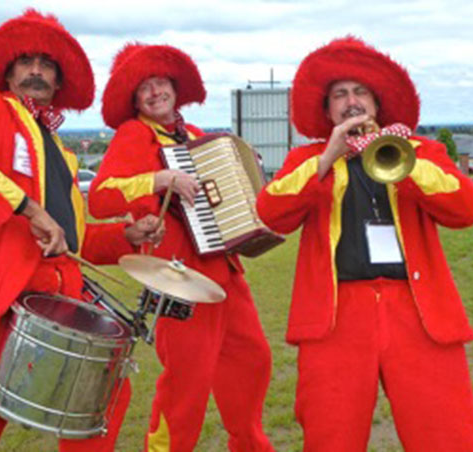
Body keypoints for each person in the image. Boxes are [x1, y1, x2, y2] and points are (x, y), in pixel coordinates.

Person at [0, 10, 163, 452]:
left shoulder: (58, 148)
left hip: (58, 293)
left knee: (102, 403)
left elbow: (71, 237)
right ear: (9, 70)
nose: (36, 70)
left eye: (46, 64)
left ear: (58, 80)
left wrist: (124, 238)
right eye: (26, 60)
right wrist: (28, 207)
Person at [256, 36, 473, 451]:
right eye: (339, 95)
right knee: (331, 435)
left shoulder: (420, 150)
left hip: (417, 311)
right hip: (337, 314)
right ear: (327, 111)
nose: (351, 102)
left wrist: (405, 164)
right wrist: (327, 159)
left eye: (361, 92)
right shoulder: (308, 159)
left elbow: (465, 209)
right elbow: (270, 212)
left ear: (378, 104)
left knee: (447, 433)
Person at [88, 43, 274, 452]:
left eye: (160, 82)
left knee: (252, 362)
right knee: (187, 386)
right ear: (134, 99)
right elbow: (100, 197)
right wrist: (159, 179)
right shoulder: (133, 134)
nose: (154, 93)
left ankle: (250, 444)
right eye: (144, 88)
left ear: (175, 86)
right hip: (178, 278)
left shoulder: (196, 137)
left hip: (224, 272)